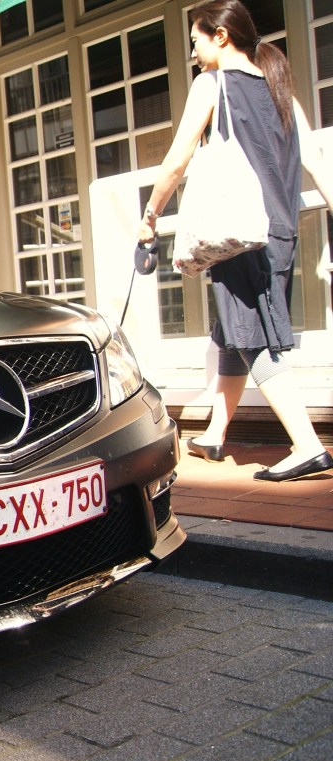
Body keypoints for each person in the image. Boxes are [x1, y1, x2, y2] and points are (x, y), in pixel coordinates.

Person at [138, 0, 333, 482]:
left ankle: (307, 445)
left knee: (255, 339)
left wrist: (149, 216)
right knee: (235, 330)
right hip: (280, 232)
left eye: (197, 39)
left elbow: (177, 161)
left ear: (221, 37)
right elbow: (314, 155)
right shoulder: (281, 88)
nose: (194, 49)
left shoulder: (212, 85)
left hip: (238, 234)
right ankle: (216, 433)